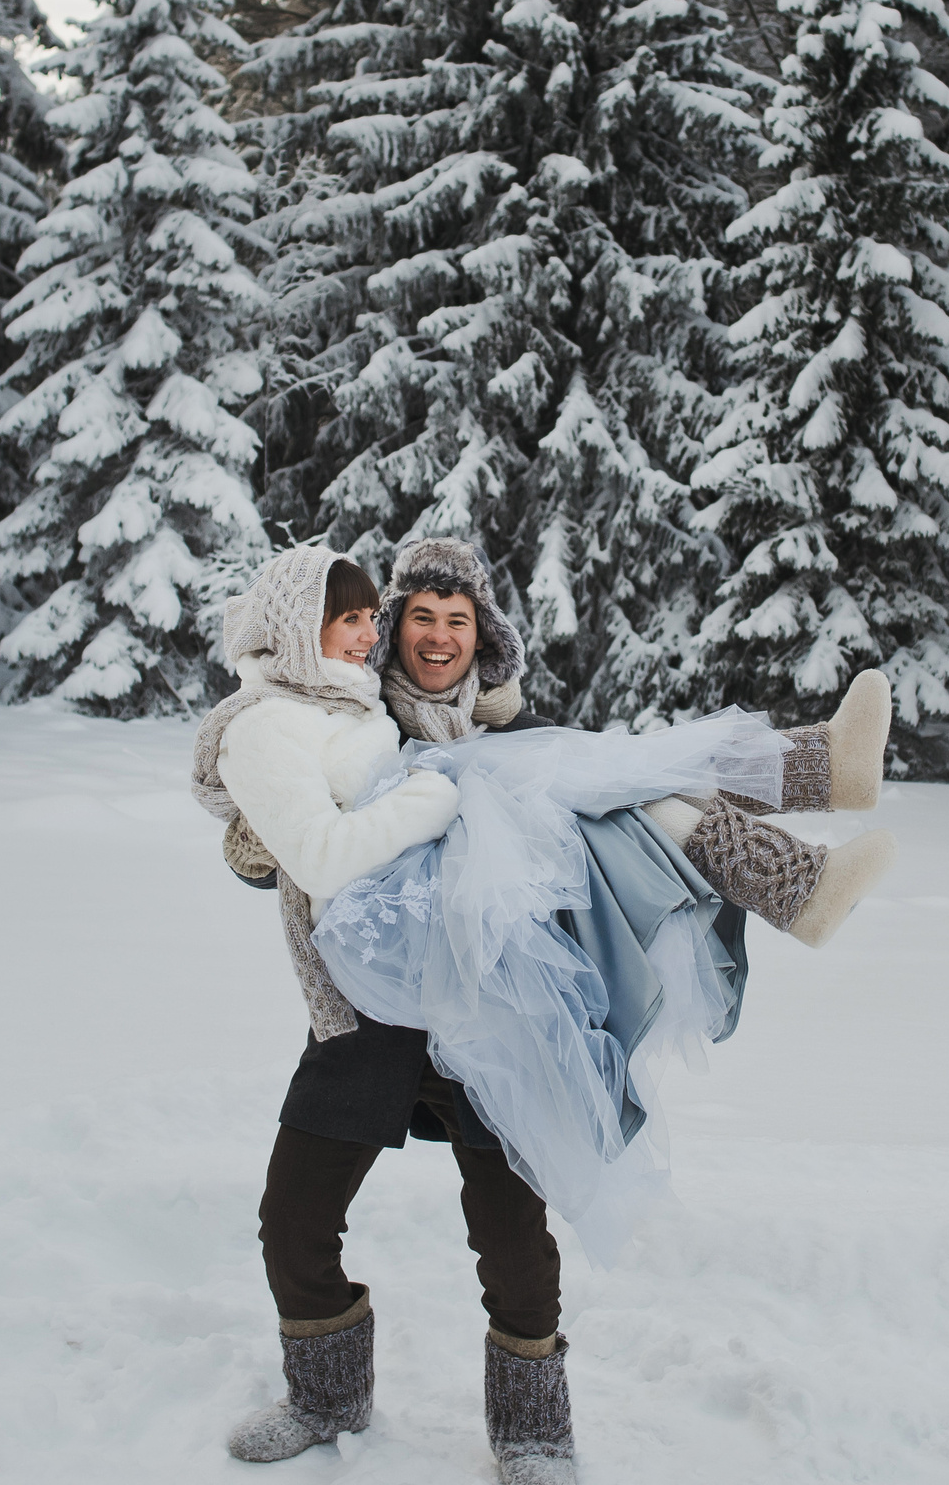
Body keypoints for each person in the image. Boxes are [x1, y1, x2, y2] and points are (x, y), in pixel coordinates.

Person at [193, 542, 895, 1482]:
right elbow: (280, 836)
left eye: (459, 620)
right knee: (294, 1215)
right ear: (390, 630)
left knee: (513, 1234)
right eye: (418, 619)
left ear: (484, 636)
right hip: (371, 1014)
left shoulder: (515, 730)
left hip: (494, 1007)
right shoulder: (345, 711)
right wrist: (256, 837)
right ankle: (326, 1394)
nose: (437, 638)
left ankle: (530, 1428)